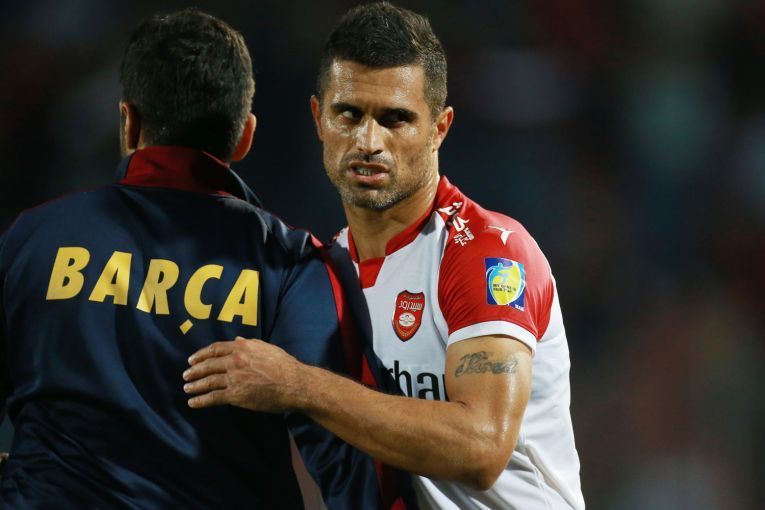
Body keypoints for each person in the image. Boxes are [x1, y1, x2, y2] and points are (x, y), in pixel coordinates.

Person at [0, 9, 406, 509]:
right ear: (245, 136)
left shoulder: (33, 237)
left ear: (129, 123)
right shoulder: (292, 265)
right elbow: (356, 462)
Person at [184, 2, 584, 509]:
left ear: (440, 128)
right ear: (318, 118)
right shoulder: (322, 275)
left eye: (396, 119)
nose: (369, 141)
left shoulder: (485, 254)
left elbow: (482, 447)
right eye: (349, 114)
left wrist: (298, 385)